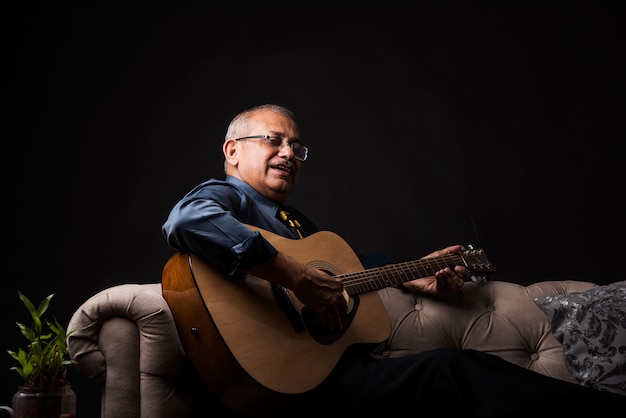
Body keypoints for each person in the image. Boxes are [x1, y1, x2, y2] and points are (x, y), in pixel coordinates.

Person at [162, 104, 623, 416]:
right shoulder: (228, 196)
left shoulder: (295, 223)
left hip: (322, 374)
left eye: (297, 147)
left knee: (459, 372)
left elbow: (348, 269)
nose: (289, 153)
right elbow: (187, 220)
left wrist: (413, 274)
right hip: (293, 384)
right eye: (273, 140)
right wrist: (297, 277)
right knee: (453, 369)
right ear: (232, 151)